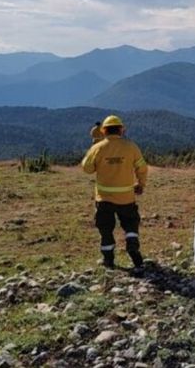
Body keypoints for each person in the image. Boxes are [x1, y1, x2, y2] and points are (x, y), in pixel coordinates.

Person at [81, 115, 148, 273]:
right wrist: (141, 184)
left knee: (105, 229)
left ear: (104, 130)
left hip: (104, 199)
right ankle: (132, 246)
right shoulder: (131, 147)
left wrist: (95, 143)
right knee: (131, 224)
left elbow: (87, 168)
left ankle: (108, 260)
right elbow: (142, 168)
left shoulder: (98, 147)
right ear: (121, 130)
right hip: (127, 198)